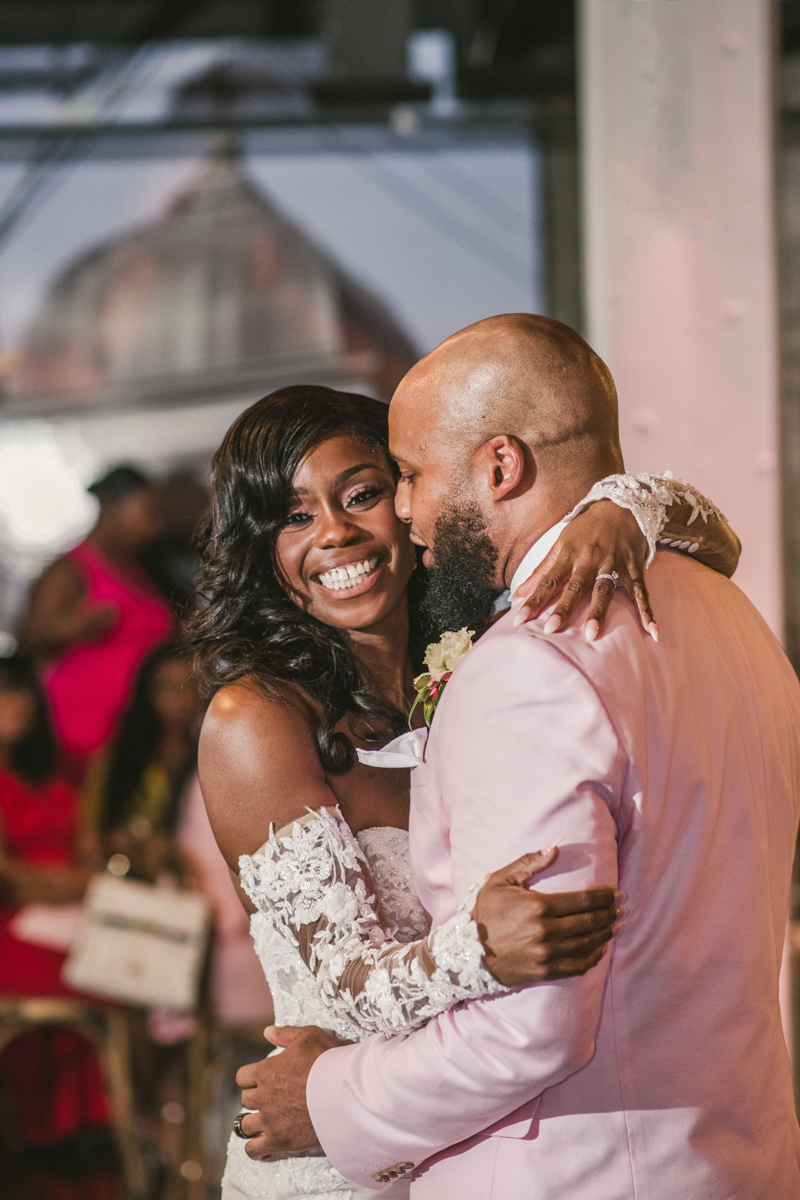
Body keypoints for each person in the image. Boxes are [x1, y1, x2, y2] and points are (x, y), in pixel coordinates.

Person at [242, 317, 800, 1199]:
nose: (403, 512)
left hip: (582, 1167)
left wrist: (327, 1098)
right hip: (735, 1151)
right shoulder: (729, 616)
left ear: (500, 467)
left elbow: (532, 1028)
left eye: (403, 480)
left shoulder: (525, 665)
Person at [0, 655, 112, 1154]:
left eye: (20, 690)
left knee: (121, 959)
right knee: (78, 967)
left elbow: (92, 851)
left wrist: (87, 883)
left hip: (74, 908)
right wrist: (79, 885)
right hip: (15, 917)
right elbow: (9, 876)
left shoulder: (65, 767)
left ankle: (105, 1119)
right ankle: (52, 1126)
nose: (12, 702)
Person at [18, 465, 172, 782]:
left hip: (129, 734)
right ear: (111, 507)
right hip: (79, 738)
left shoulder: (137, 569)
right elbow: (29, 638)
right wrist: (73, 627)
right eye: (147, 511)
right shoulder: (71, 570)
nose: (154, 525)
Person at [82, 639, 201, 883]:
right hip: (120, 875)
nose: (178, 698)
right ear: (147, 692)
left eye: (187, 686)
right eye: (166, 687)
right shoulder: (119, 756)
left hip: (191, 882)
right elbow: (88, 826)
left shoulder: (209, 757)